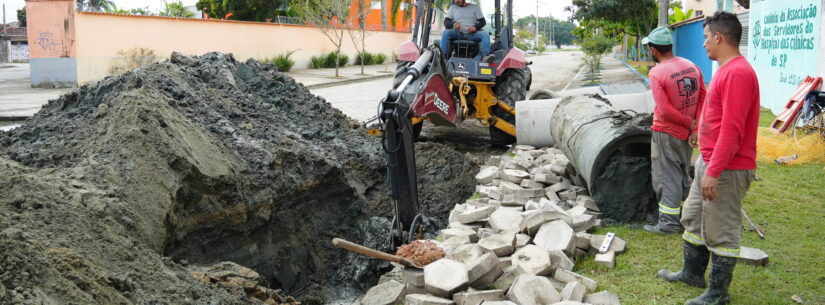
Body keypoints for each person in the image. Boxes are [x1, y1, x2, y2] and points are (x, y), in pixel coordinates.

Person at [657, 11, 759, 305]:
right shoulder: (725, 70)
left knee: (721, 229)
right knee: (694, 216)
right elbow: (717, 117)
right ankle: (692, 273)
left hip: (726, 168)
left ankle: (718, 293)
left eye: (705, 38)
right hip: (711, 161)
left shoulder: (738, 73)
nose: (703, 44)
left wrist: (713, 172)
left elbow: (732, 129)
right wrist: (700, 138)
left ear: (718, 37)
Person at [641, 26, 706, 235]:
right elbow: (704, 97)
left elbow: (665, 110)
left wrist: (688, 124)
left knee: (666, 177)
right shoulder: (691, 66)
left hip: (666, 133)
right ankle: (692, 214)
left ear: (653, 49)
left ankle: (668, 223)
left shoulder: (657, 73)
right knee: (682, 173)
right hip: (687, 135)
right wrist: (695, 127)